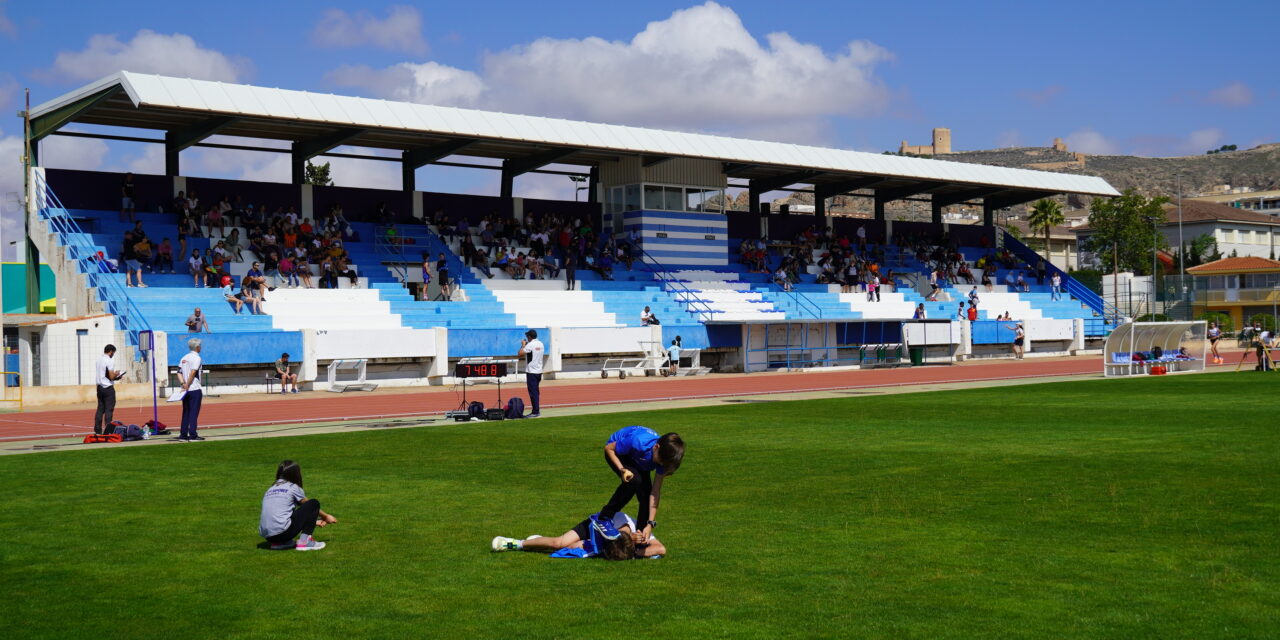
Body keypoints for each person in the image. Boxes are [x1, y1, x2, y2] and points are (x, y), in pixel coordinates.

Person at [596, 426, 684, 548]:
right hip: (618, 453)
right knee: (634, 480)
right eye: (660, 462)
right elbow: (608, 449)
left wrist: (650, 524)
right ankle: (604, 518)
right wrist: (622, 470)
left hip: (640, 460)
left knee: (646, 496)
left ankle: (641, 536)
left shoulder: (664, 458)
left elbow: (655, 492)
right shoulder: (637, 441)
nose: (661, 465)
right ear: (656, 447)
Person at [491, 511, 663, 560]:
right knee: (559, 543)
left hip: (608, 543)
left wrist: (636, 553)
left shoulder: (640, 531)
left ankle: (537, 540)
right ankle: (516, 543)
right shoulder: (619, 519)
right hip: (595, 526)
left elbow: (661, 549)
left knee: (572, 548)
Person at [259, 460, 337, 551]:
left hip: (269, 537)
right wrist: (326, 516)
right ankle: (305, 542)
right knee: (313, 503)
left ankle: (279, 544)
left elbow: (280, 514)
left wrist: (313, 522)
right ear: (295, 474)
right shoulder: (293, 487)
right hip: (282, 533)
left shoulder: (270, 489)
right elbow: (309, 506)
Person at [177, 338, 205, 442]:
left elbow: (178, 372)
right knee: (193, 412)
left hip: (185, 389)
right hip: (194, 388)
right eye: (200, 346)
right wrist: (188, 384)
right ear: (197, 347)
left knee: (186, 412)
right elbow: (193, 372)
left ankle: (183, 435)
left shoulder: (184, 357)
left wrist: (183, 384)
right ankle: (193, 435)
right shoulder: (196, 358)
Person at [94, 344, 125, 435]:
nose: (113, 355)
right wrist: (117, 375)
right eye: (113, 353)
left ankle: (97, 430)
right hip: (107, 388)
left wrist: (113, 375)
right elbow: (111, 376)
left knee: (100, 409)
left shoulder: (99, 359)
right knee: (109, 410)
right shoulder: (109, 360)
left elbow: (104, 374)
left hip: (99, 387)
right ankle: (108, 430)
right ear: (111, 351)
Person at [520, 329, 544, 418]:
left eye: (527, 336)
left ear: (529, 337)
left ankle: (535, 411)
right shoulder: (541, 344)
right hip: (538, 370)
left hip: (531, 371)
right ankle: (536, 410)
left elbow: (520, 353)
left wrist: (523, 345)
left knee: (533, 392)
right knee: (536, 392)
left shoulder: (530, 345)